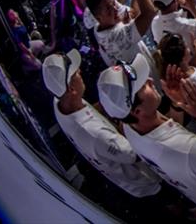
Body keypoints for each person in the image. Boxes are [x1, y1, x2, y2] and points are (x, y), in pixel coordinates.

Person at [97, 53, 196, 219]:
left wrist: (177, 104)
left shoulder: (130, 126)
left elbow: (170, 128)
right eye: (143, 86)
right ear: (137, 111)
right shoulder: (185, 149)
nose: (151, 80)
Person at [42, 51, 162, 199]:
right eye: (76, 74)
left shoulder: (60, 102)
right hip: (144, 182)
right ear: (71, 90)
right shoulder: (94, 133)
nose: (80, 71)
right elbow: (133, 155)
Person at [86, 0, 158, 69]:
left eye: (114, 4)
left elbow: (132, 12)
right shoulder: (117, 36)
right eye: (109, 9)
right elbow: (149, 12)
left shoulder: (97, 27)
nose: (115, 9)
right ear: (98, 17)